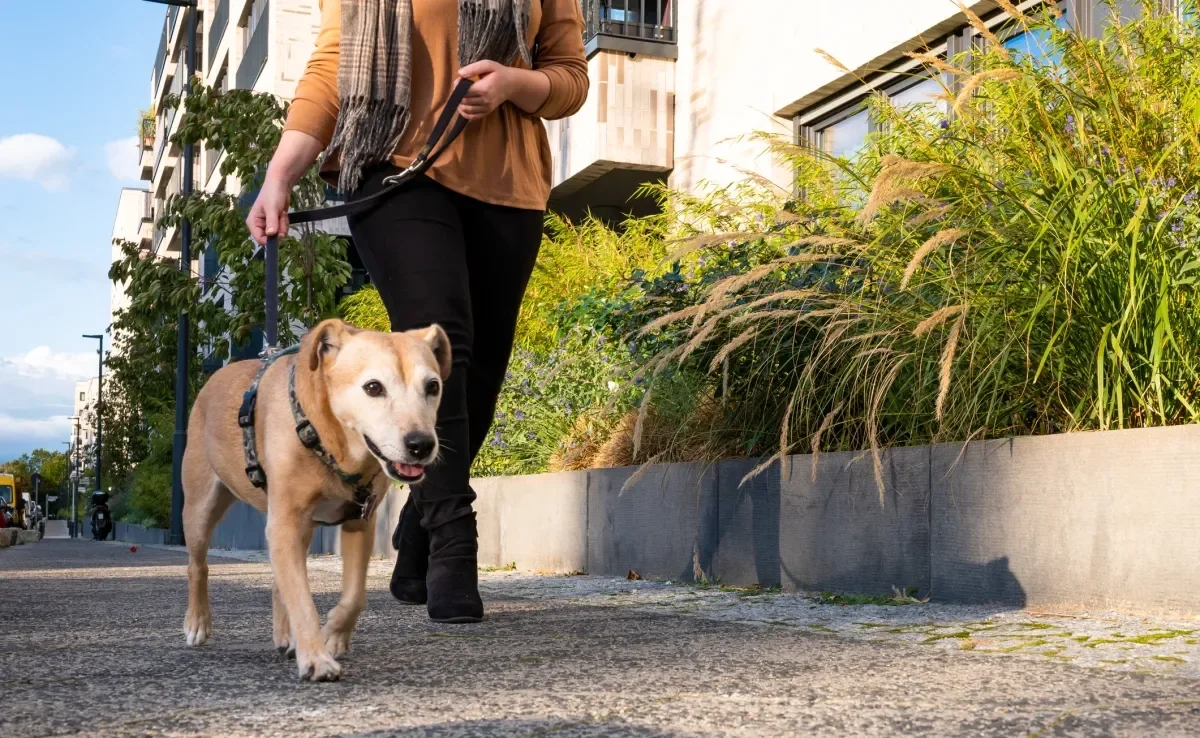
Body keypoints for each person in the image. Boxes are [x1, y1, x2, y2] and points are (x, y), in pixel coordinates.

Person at [248, 0, 588, 623]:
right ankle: (456, 546)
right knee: (442, 337)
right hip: (391, 167)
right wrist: (281, 173)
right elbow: (333, 66)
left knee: (474, 371)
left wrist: (516, 84)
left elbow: (568, 77)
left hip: (508, 184)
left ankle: (420, 536)